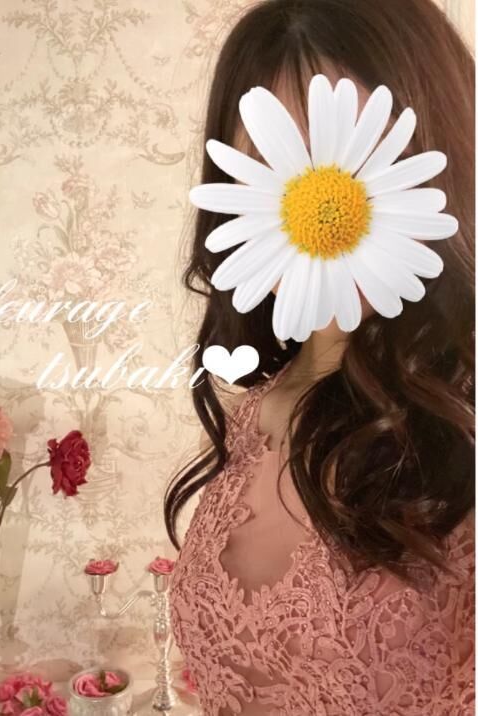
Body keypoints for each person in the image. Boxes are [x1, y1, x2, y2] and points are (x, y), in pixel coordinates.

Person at [165, 1, 475, 714]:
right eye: (271, 165)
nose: (318, 197)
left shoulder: (461, 419)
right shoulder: (254, 409)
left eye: (365, 158)